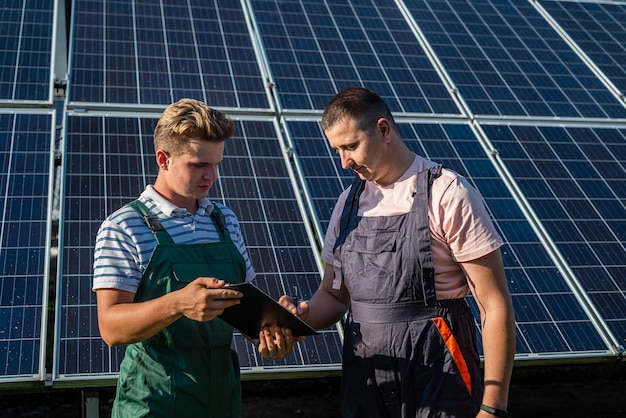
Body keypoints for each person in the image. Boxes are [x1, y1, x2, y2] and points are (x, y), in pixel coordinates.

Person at [281, 87, 515, 418]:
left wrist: (493, 406)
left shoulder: (447, 193)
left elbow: (494, 304)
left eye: (351, 147)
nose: (344, 162)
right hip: (366, 381)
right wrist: (299, 317)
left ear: (383, 130)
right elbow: (333, 297)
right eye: (337, 150)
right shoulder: (347, 204)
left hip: (440, 374)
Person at [93, 98, 295, 417]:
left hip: (222, 400)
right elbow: (110, 328)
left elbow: (244, 308)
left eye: (216, 164)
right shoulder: (124, 226)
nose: (211, 175)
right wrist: (178, 303)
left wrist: (271, 330)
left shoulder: (225, 220)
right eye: (199, 164)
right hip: (153, 403)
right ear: (164, 159)